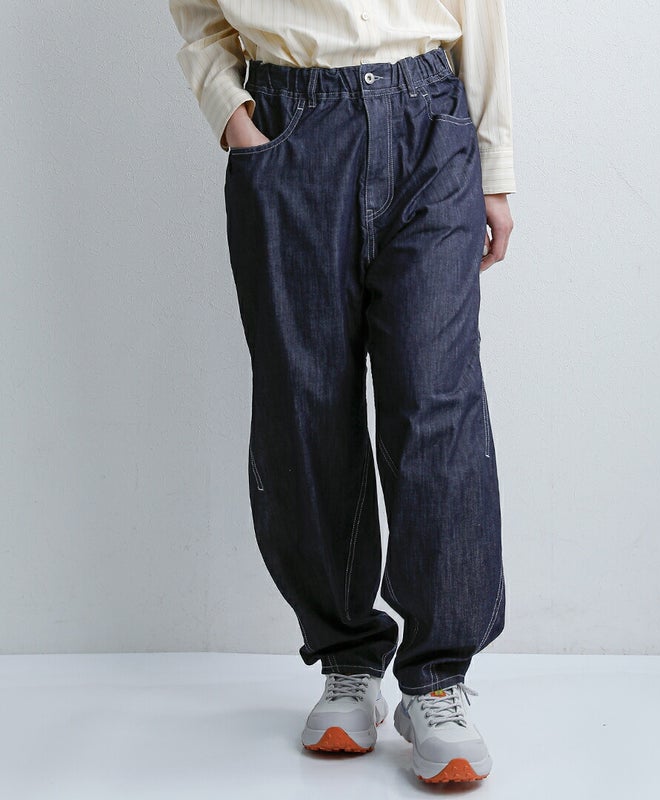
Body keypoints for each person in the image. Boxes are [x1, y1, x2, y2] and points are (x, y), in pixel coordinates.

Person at [168, 0, 515, 784]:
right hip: (289, 124)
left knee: (436, 401)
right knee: (305, 405)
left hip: (430, 121)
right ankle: (347, 659)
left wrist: (495, 168)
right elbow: (198, 17)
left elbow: (481, 9)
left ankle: (438, 680)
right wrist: (235, 117)